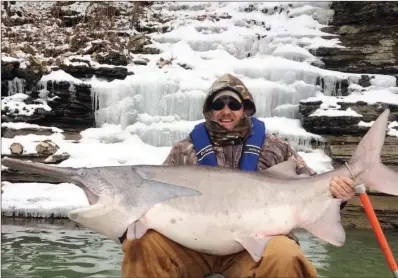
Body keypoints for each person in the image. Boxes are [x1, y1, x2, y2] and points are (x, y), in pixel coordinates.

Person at [121, 73, 355, 278]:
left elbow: (312, 187)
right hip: (190, 247)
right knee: (141, 245)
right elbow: (153, 196)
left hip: (254, 247)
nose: (226, 111)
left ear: (245, 108)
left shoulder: (276, 148)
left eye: (233, 104)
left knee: (286, 256)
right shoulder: (184, 150)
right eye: (218, 104)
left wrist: (339, 194)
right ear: (209, 110)